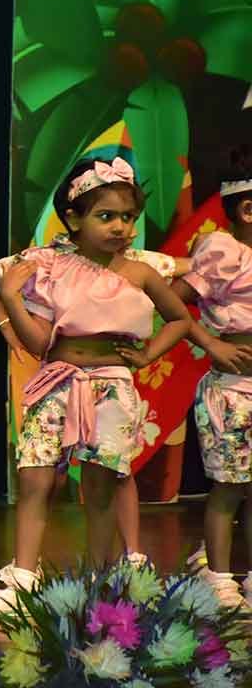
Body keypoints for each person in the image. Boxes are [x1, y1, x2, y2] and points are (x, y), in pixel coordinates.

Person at [0, 157, 190, 615]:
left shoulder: (139, 271)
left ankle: (99, 579)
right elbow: (32, 334)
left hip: (112, 386)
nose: (119, 227)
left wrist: (148, 354)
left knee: (101, 485)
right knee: (35, 478)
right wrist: (9, 309)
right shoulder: (48, 264)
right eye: (106, 216)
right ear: (73, 219)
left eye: (127, 217)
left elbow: (179, 318)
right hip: (58, 382)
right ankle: (22, 577)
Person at [171, 146, 252, 610]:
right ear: (247, 210)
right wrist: (210, 342)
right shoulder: (226, 251)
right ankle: (219, 578)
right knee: (229, 488)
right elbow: (174, 298)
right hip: (232, 390)